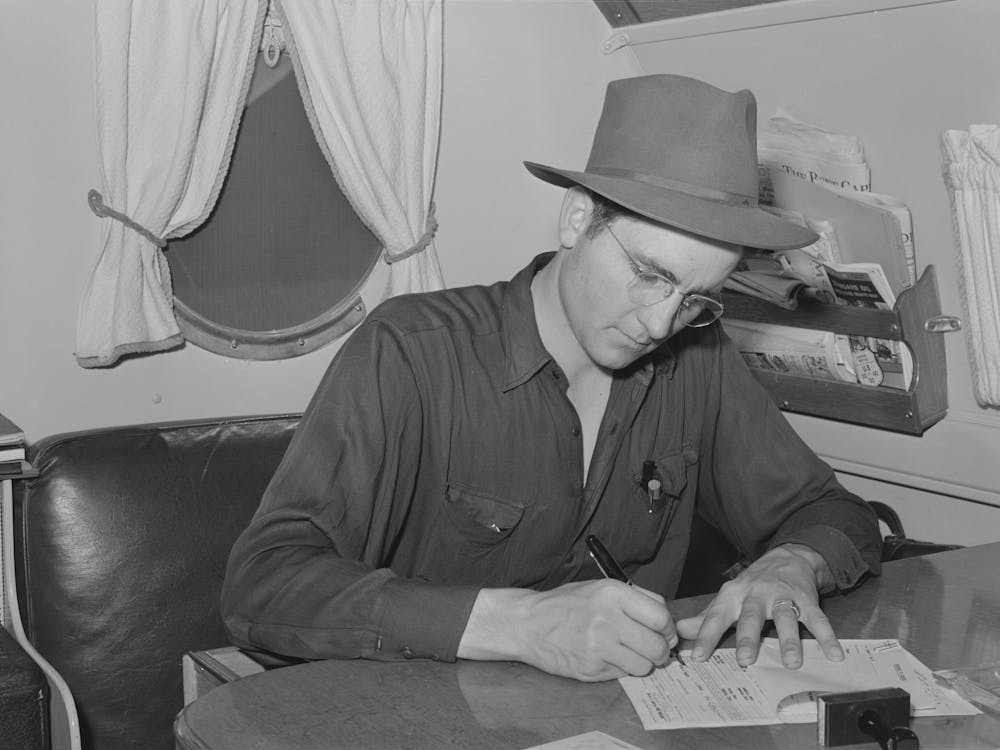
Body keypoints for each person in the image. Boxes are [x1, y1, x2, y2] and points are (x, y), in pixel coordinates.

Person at [222, 74, 882, 683]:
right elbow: (264, 584)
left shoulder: (697, 357)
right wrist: (520, 624)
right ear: (577, 219)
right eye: (648, 274)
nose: (660, 324)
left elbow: (835, 513)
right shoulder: (410, 352)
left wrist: (793, 562)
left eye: (694, 297)